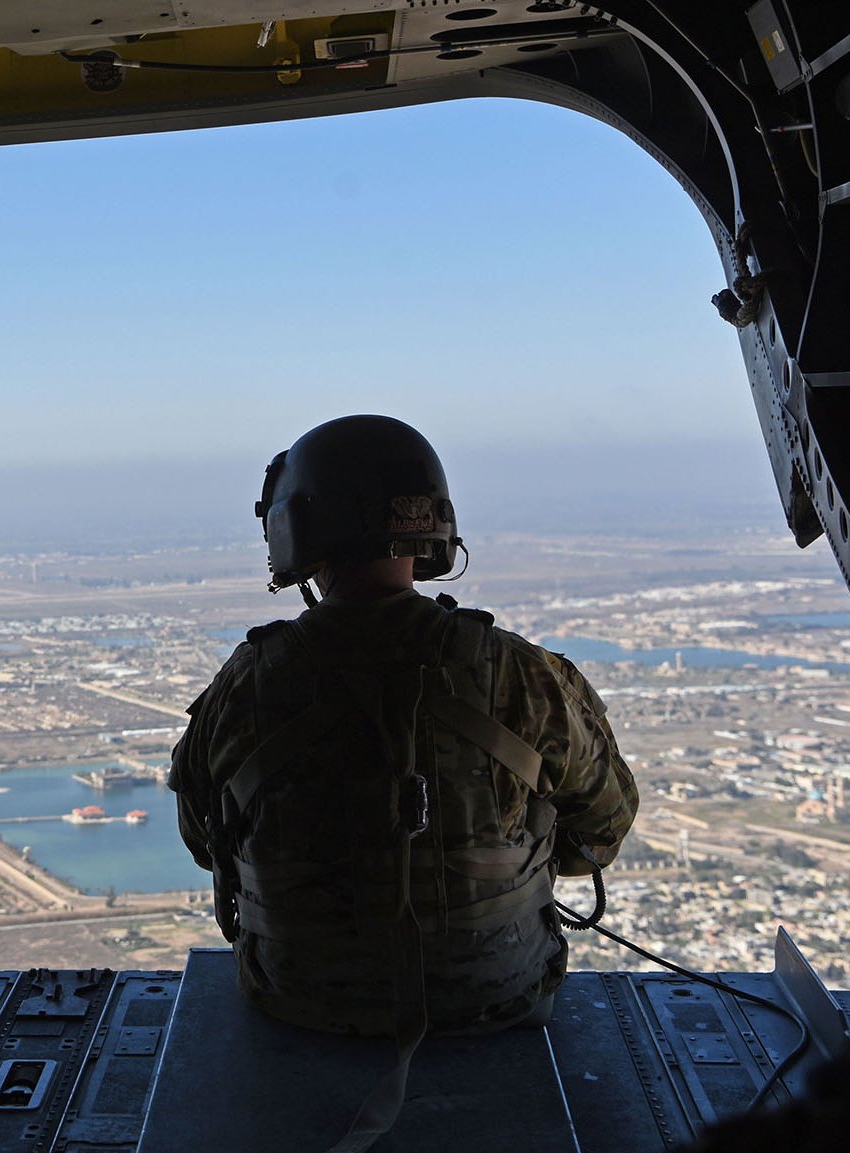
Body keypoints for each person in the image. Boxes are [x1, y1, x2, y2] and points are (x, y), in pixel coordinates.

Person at [169, 415, 638, 1038]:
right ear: (434, 527)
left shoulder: (248, 683)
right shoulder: (521, 673)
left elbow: (206, 842)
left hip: (300, 1002)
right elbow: (602, 823)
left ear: (296, 529)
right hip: (500, 1000)